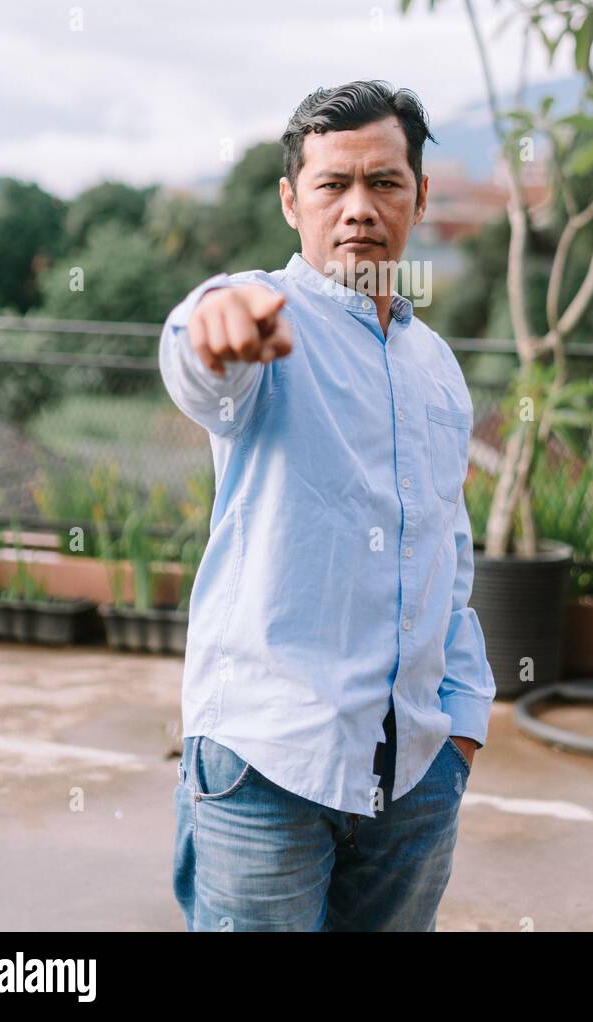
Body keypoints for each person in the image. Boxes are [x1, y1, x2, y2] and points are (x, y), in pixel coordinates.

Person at [159, 78, 496, 932]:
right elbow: (202, 355)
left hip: (416, 774)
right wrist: (215, 326)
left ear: (420, 197)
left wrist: (461, 722)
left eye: (384, 183)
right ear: (290, 200)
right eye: (331, 185)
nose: (358, 208)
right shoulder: (264, 320)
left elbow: (447, 556)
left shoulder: (437, 368)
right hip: (267, 766)